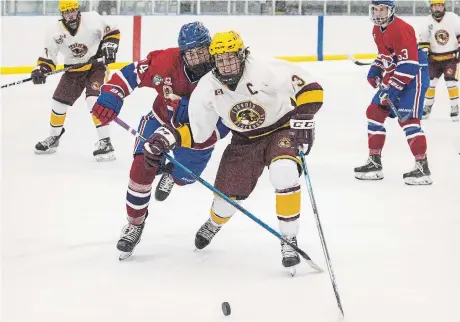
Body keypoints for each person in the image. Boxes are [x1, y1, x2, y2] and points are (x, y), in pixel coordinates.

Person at [141, 30, 323, 270]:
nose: (226, 64)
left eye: (231, 57)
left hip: (281, 128)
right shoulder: (206, 88)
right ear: (213, 60)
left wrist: (305, 116)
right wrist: (168, 137)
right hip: (244, 140)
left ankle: (288, 239)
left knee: (284, 171)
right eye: (220, 59)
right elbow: (199, 133)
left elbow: (310, 87)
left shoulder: (263, 67)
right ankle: (214, 223)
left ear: (241, 54)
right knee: (225, 200)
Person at [91, 22, 229, 259]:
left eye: (201, 51)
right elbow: (130, 74)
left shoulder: (224, 73)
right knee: (140, 168)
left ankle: (172, 175)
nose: (196, 58)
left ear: (210, 48)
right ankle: (135, 224)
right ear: (182, 52)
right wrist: (111, 95)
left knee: (186, 177)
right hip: (161, 120)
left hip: (198, 136)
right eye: (190, 53)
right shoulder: (166, 62)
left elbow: (223, 125)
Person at [354, 0, 432, 185]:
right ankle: (374, 162)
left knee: (408, 121)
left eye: (383, 9)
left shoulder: (401, 29)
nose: (379, 13)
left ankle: (423, 169)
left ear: (391, 10)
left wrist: (392, 90)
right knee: (374, 112)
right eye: (375, 9)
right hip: (397, 73)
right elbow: (386, 56)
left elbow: (410, 64)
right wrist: (375, 69)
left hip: (414, 77)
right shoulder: (376, 30)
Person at [32, 0, 119, 161]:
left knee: (94, 101)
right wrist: (41, 70)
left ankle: (105, 141)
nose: (70, 15)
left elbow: (112, 32)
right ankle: (54, 137)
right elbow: (48, 57)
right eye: (66, 12)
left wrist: (109, 47)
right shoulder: (54, 31)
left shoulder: (92, 19)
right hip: (73, 70)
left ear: (78, 10)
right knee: (58, 104)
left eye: (72, 11)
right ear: (62, 14)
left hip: (96, 66)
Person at [419, 0, 460, 121]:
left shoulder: (453, 18)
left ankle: (455, 107)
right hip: (434, 60)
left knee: (451, 83)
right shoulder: (427, 21)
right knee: (429, 84)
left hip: (451, 59)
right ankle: (427, 106)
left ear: (443, 6)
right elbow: (424, 41)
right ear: (431, 7)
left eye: (440, 5)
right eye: (435, 6)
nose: (438, 8)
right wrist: (423, 53)